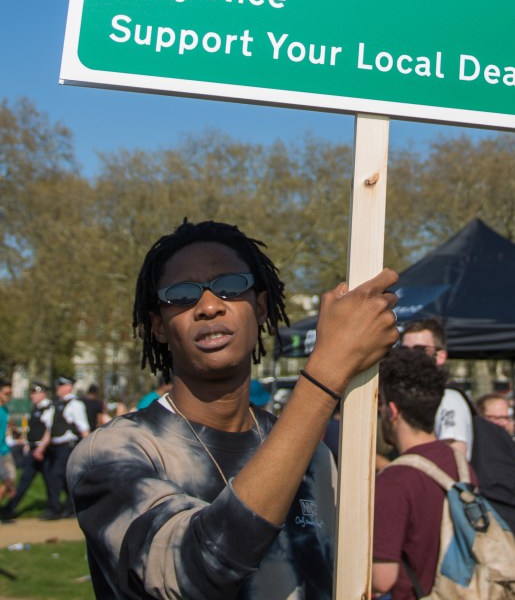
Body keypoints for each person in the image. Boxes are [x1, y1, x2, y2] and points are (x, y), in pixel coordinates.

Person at [68, 219, 398, 599]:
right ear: (159, 326)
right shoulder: (112, 454)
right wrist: (326, 373)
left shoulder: (317, 460)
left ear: (260, 307)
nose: (209, 306)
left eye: (230, 287)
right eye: (182, 295)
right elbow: (193, 571)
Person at [372, 346, 476, 599]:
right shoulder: (461, 465)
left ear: (392, 411)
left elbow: (382, 581)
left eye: (381, 406)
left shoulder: (394, 481)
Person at [400, 318, 473, 459]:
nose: (409, 357)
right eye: (404, 350)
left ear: (440, 356)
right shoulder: (409, 397)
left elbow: (453, 462)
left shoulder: (448, 399)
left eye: (420, 350)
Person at [470, 392, 515, 543]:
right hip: (492, 523)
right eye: (497, 418)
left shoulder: (508, 444)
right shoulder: (479, 446)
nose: (503, 423)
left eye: (506, 418)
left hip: (514, 522)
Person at [1, 382, 54, 521]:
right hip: (32, 449)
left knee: (52, 480)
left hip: (43, 450)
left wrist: (41, 448)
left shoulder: (49, 407)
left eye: (34, 393)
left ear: (43, 393)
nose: (32, 396)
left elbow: (49, 430)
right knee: (23, 480)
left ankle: (57, 507)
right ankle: (9, 509)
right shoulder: (35, 408)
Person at [40, 375, 90, 519]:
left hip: (68, 447)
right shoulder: (57, 405)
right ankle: (70, 507)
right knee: (60, 478)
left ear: (69, 387)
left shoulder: (75, 405)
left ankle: (55, 509)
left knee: (56, 476)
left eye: (61, 386)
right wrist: (41, 448)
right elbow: (50, 430)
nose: (58, 389)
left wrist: (90, 450)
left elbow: (84, 428)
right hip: (56, 448)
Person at [0, 380, 16, 510]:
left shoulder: (5, 410)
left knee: (10, 481)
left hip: (4, 450)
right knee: (9, 483)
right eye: (6, 393)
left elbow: (10, 426)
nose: (8, 396)